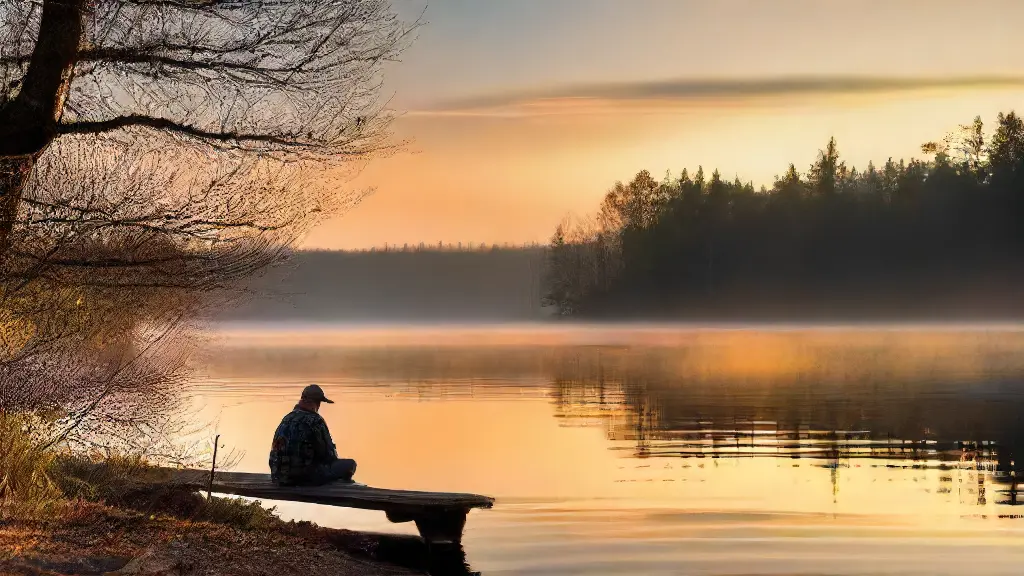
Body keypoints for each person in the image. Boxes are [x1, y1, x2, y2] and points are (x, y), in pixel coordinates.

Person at [269, 384, 357, 486]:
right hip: (304, 479)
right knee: (350, 464)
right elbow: (328, 455)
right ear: (317, 403)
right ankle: (341, 489)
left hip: (279, 476)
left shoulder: (286, 419)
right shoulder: (315, 420)